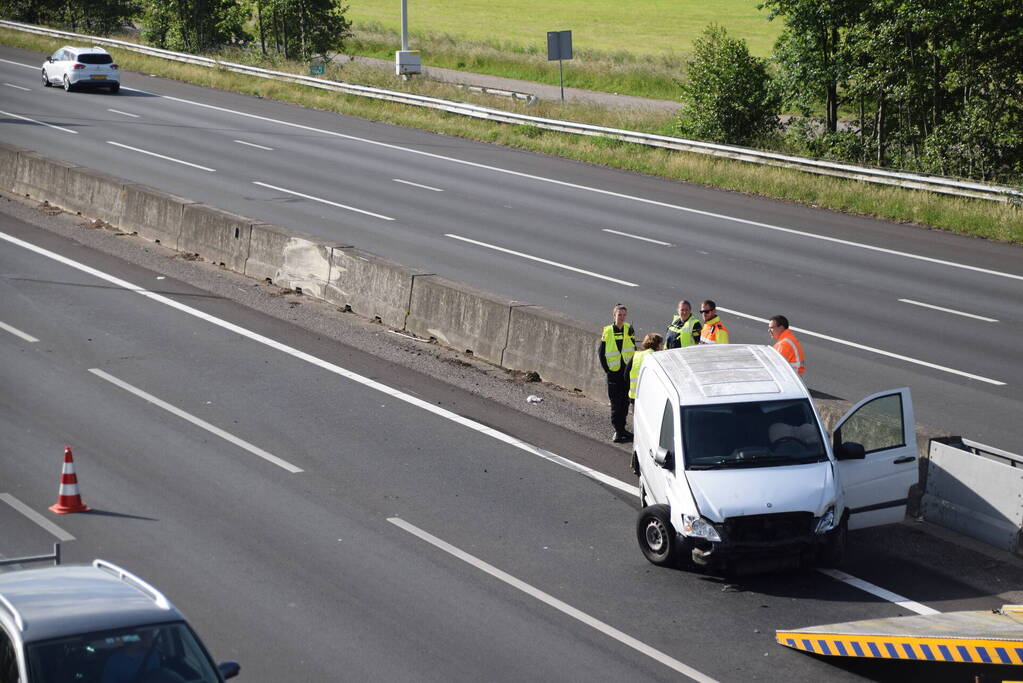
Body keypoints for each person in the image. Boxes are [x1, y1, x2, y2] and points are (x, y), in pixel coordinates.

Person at [597, 303, 636, 443]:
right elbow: (601, 352)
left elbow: (633, 348)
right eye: (620, 315)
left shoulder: (629, 328)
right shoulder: (608, 331)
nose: (622, 317)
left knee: (625, 402)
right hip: (614, 373)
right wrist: (607, 370)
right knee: (616, 403)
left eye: (624, 315)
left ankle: (622, 429)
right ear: (614, 316)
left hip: (626, 373)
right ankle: (618, 430)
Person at [629, 333, 663, 400]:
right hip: (649, 398)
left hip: (634, 395)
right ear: (658, 345)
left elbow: (626, 375)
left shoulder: (636, 355)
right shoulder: (656, 357)